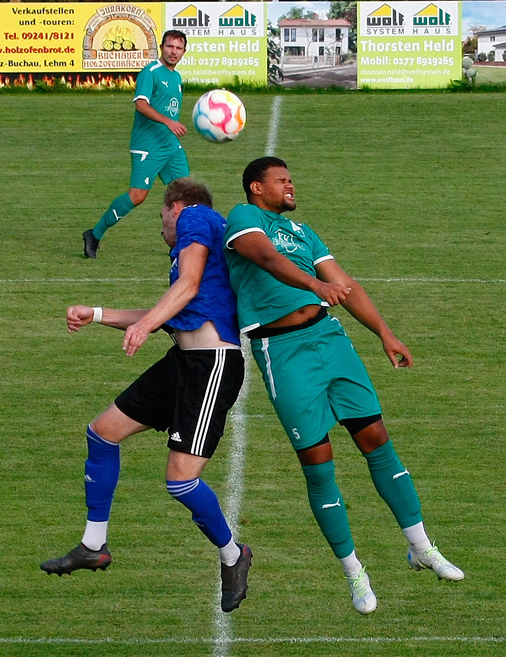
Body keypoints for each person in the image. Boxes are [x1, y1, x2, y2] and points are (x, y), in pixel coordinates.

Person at [223, 157, 463, 615]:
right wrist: (314, 284)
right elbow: (265, 258)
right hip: (282, 351)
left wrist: (385, 334)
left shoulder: (304, 231)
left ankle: (421, 547)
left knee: (377, 440)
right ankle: (355, 572)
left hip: (329, 339)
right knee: (319, 463)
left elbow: (344, 284)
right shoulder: (244, 218)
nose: (291, 186)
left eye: (292, 179)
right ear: (257, 187)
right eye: (282, 181)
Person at [44, 178, 252, 613]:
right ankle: (93, 544)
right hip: (183, 360)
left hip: (211, 366)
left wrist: (145, 326)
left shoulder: (195, 216)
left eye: (160, 217)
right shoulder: (187, 257)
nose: (160, 227)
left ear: (175, 207)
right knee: (102, 432)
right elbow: (170, 308)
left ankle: (234, 555)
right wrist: (97, 314)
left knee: (180, 481)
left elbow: (188, 287)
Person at [82, 30, 189, 259]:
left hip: (170, 147)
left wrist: (171, 128)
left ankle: (181, 244)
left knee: (185, 195)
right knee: (137, 196)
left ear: (183, 52)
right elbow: (141, 104)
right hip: (147, 146)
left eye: (178, 48)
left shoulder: (176, 77)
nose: (174, 51)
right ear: (162, 47)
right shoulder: (150, 73)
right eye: (170, 46)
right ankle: (94, 234)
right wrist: (169, 122)